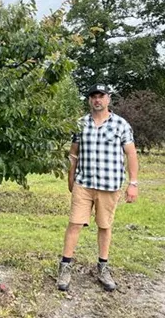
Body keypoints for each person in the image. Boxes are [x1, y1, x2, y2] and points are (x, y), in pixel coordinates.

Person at [57, 83, 139, 292]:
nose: (97, 100)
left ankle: (103, 267)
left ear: (108, 99)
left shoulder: (121, 124)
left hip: (109, 186)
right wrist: (70, 178)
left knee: (105, 226)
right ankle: (65, 267)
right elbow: (73, 153)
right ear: (89, 100)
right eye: (93, 96)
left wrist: (133, 183)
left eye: (101, 96)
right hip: (83, 184)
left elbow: (131, 154)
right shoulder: (80, 124)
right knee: (74, 224)